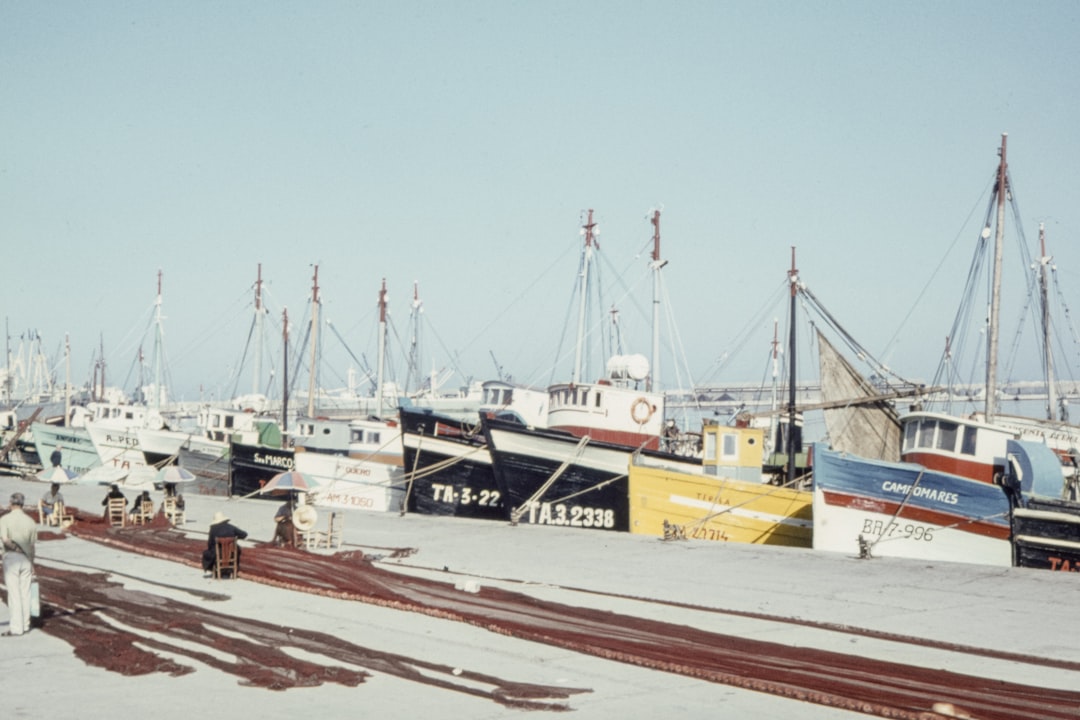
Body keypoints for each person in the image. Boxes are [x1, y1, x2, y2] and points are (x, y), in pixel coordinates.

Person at [1, 492, 38, 636]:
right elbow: (33, 545)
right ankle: (26, 624)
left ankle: (16, 628)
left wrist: (15, 548)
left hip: (12, 558)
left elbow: (4, 539)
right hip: (26, 560)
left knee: (14, 594)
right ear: (22, 504)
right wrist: (32, 563)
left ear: (11, 503)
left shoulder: (5, 519)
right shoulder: (30, 521)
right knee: (25, 593)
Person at [202, 511, 248, 577]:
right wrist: (235, 537)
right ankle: (233, 569)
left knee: (207, 553)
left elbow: (210, 543)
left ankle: (216, 570)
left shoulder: (213, 529)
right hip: (231, 554)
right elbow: (244, 534)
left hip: (217, 554)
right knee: (237, 549)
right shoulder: (231, 527)